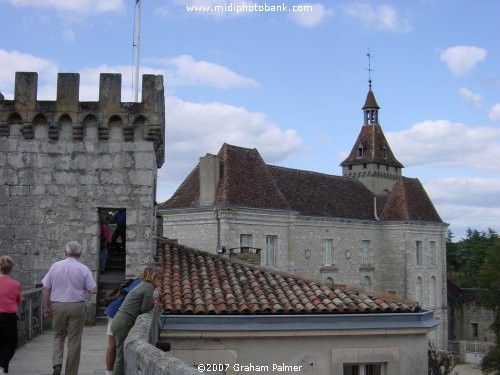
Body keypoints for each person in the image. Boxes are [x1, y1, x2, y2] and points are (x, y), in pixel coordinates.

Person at [42, 241, 97, 375]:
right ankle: (71, 372)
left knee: (58, 335)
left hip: (58, 304)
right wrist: (82, 287)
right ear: (80, 254)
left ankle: (57, 364)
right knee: (74, 340)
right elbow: (93, 289)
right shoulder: (83, 268)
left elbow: (46, 287)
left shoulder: (55, 266)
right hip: (76, 305)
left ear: (65, 253)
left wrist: (46, 306)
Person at [110, 267, 161, 375]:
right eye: (158, 278)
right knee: (120, 355)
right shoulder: (149, 287)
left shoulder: (143, 284)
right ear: (153, 277)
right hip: (123, 321)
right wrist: (153, 304)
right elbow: (144, 309)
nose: (160, 280)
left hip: (119, 319)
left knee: (120, 352)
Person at [103, 278, 141, 375]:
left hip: (113, 309)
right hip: (116, 312)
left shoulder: (139, 280)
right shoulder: (144, 285)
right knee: (113, 345)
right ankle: (109, 372)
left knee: (113, 345)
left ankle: (109, 372)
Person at [0, 256, 22, 375]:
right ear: (11, 269)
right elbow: (19, 300)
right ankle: (2, 367)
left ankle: (4, 369)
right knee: (10, 345)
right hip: (8, 318)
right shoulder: (15, 284)